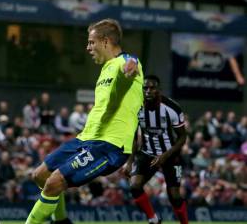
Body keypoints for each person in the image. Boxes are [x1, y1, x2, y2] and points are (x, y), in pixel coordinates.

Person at [25, 18, 143, 224]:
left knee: (54, 182)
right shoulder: (105, 68)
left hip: (109, 144)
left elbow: (129, 70)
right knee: (40, 175)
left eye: (91, 42)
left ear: (106, 42)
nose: (88, 47)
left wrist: (129, 71)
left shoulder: (127, 61)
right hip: (86, 139)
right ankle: (61, 221)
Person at [124, 75, 188, 224]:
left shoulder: (172, 108)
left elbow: (182, 137)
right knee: (134, 186)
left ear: (158, 89)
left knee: (174, 196)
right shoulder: (136, 107)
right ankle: (153, 219)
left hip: (170, 155)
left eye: (152, 88)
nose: (148, 91)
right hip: (146, 152)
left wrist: (165, 155)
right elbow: (133, 138)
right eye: (145, 88)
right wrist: (129, 161)